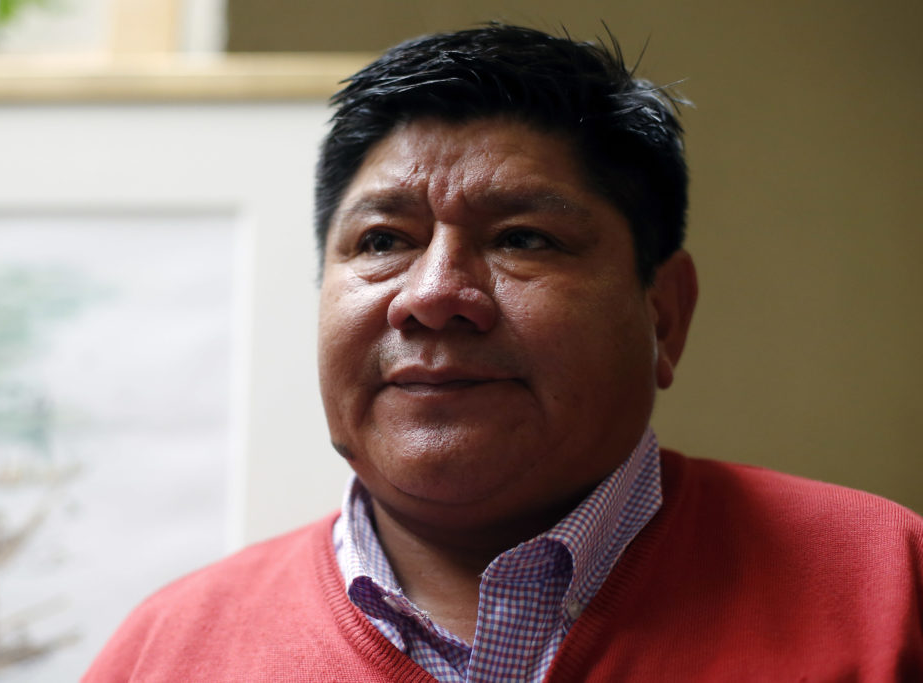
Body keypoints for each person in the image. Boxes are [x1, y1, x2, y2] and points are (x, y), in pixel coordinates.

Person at [85, 24, 923, 681]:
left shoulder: (889, 587)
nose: (433, 294)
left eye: (523, 237)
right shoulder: (164, 653)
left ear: (664, 314)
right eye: (383, 240)